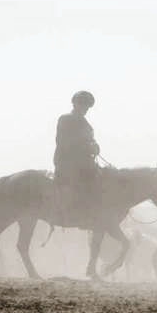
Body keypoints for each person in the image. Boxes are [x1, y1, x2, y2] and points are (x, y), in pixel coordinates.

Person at [53, 90, 101, 223]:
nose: (85, 109)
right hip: (68, 164)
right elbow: (64, 142)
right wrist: (87, 147)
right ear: (75, 104)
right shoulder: (66, 119)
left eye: (87, 106)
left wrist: (95, 146)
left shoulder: (86, 124)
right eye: (83, 105)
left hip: (85, 164)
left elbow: (91, 140)